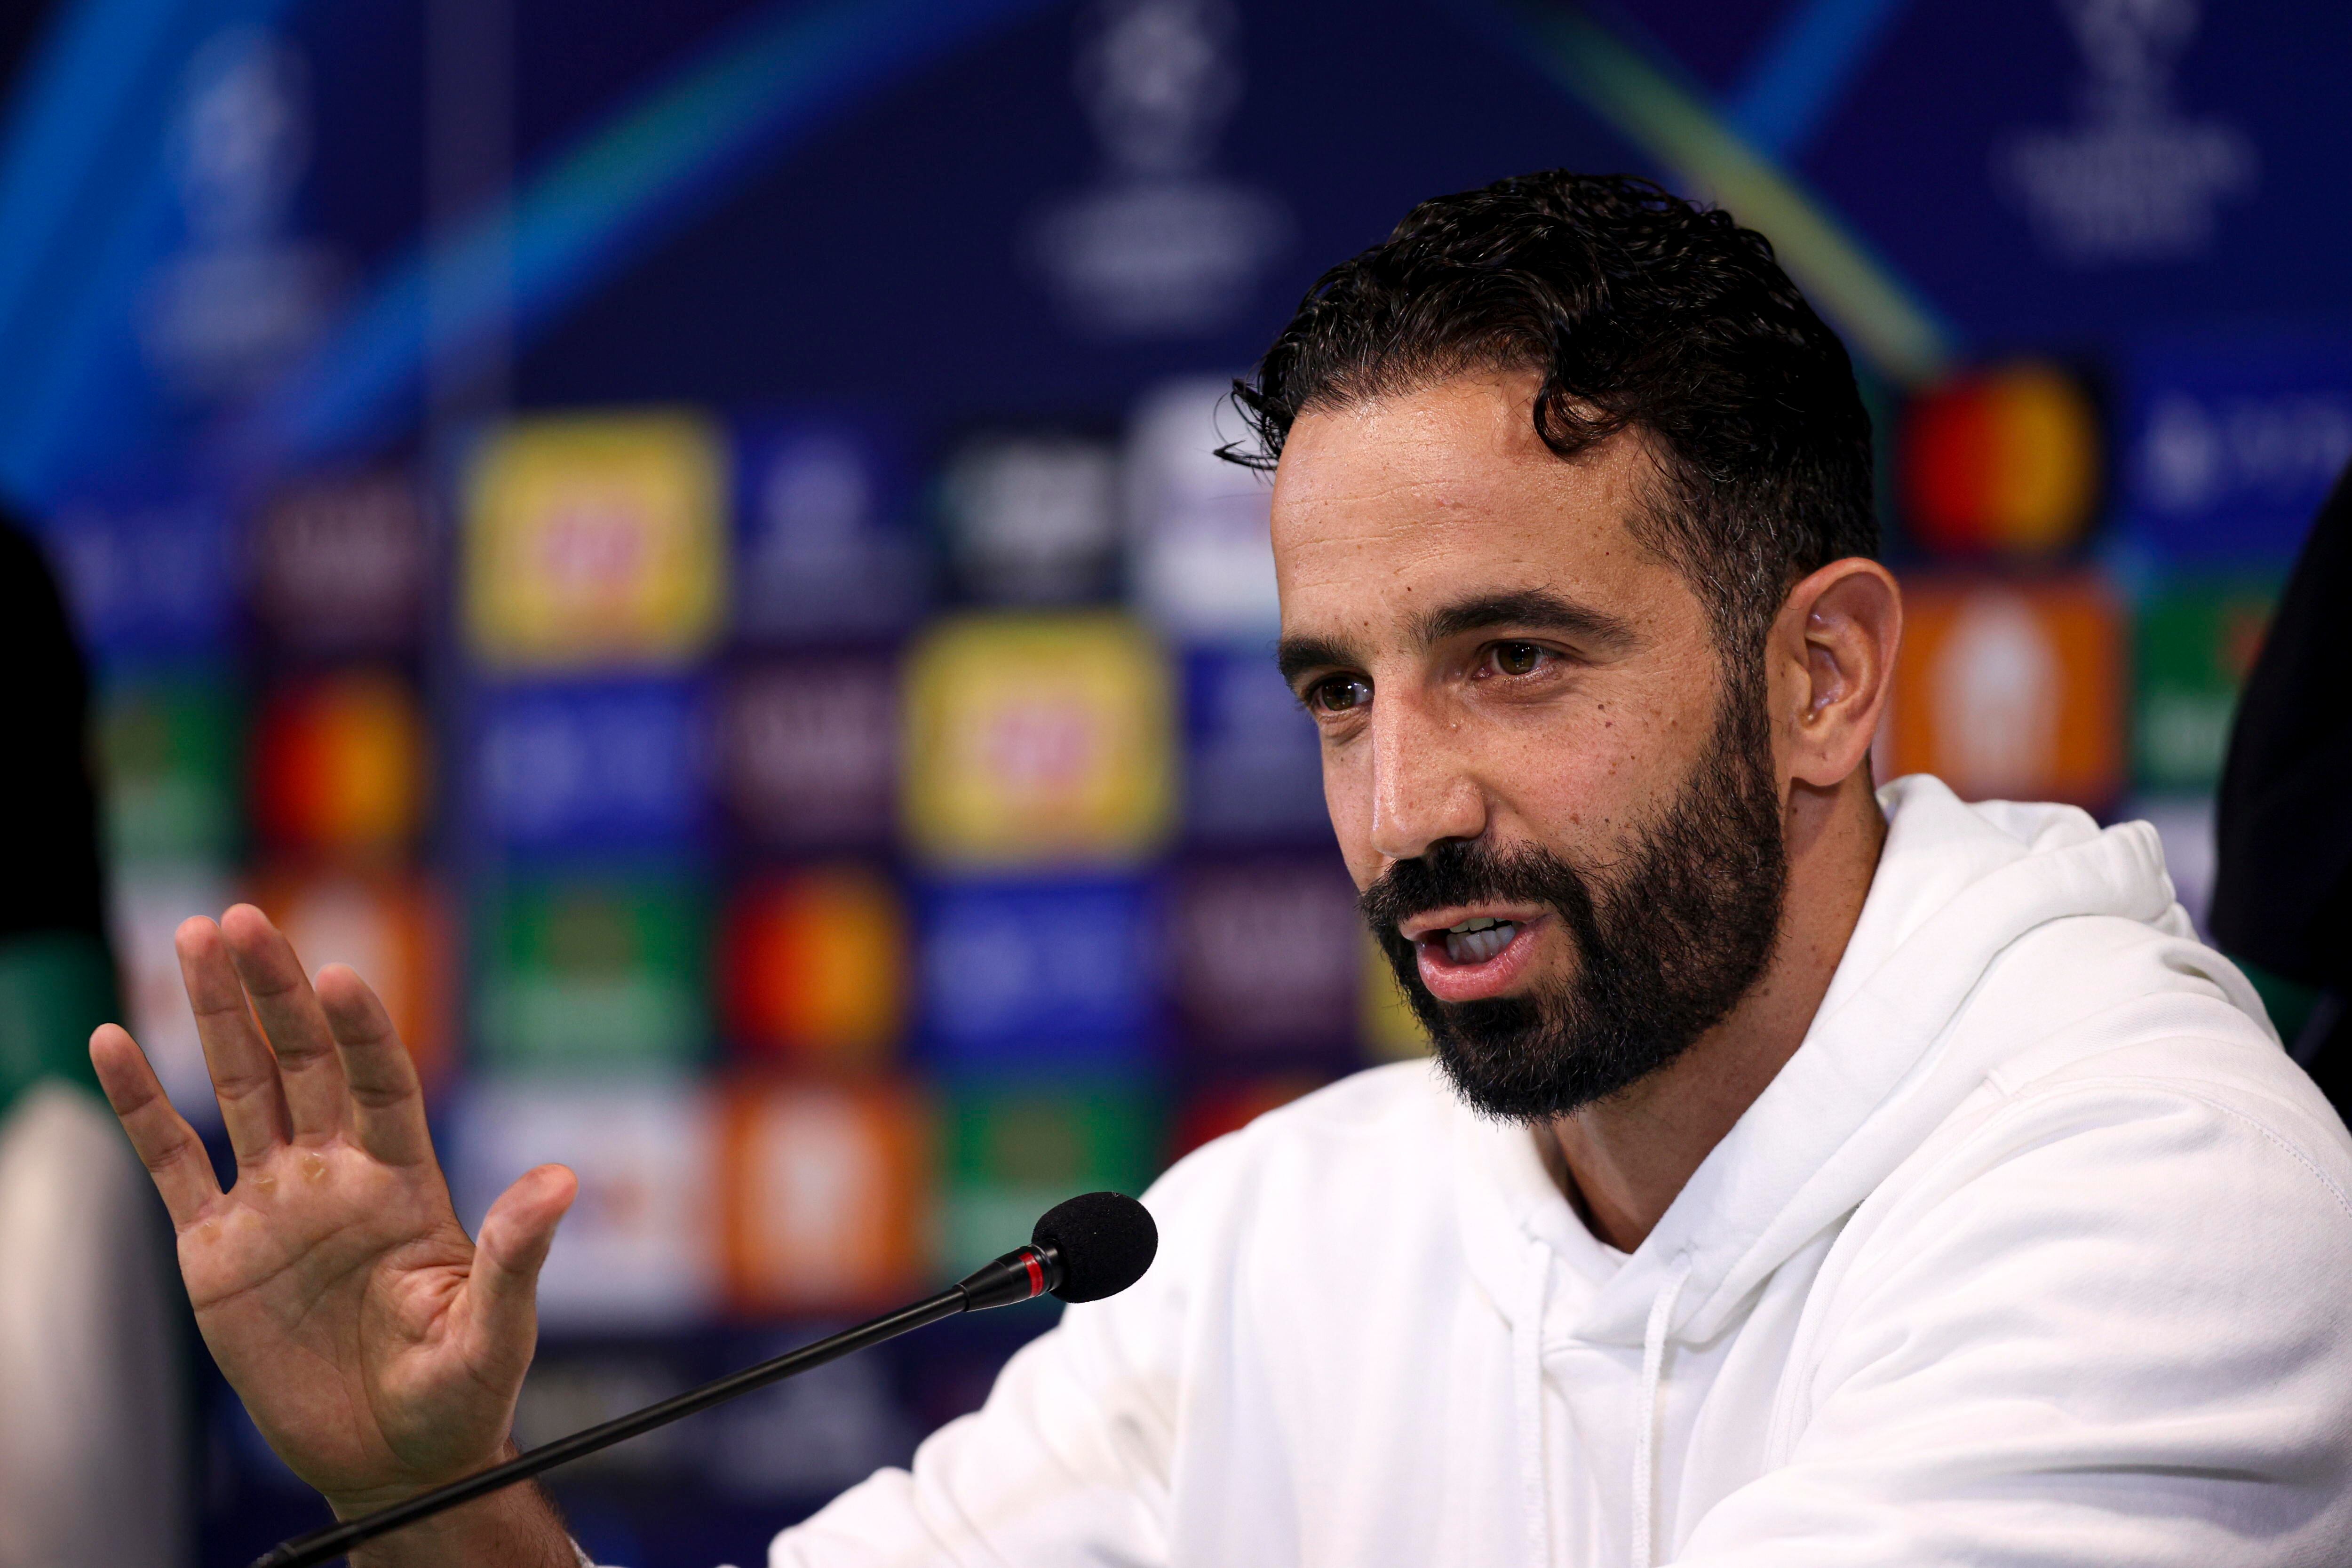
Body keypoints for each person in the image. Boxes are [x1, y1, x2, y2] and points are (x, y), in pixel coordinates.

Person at [89, 172, 2352, 1568]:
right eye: (1337, 692)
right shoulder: (1273, 1234)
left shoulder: (2157, 1180)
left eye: (1511, 658)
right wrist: (430, 1501)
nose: (1405, 804)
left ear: (1825, 683)